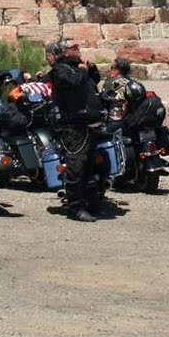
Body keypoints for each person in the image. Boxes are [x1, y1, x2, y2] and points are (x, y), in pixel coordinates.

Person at [48, 38, 106, 222]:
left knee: (89, 167)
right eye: (74, 47)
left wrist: (91, 68)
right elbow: (74, 82)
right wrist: (82, 70)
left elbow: (94, 80)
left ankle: (92, 204)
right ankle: (75, 208)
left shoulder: (77, 68)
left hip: (88, 124)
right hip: (73, 128)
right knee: (76, 168)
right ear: (64, 52)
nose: (78, 49)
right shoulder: (60, 70)